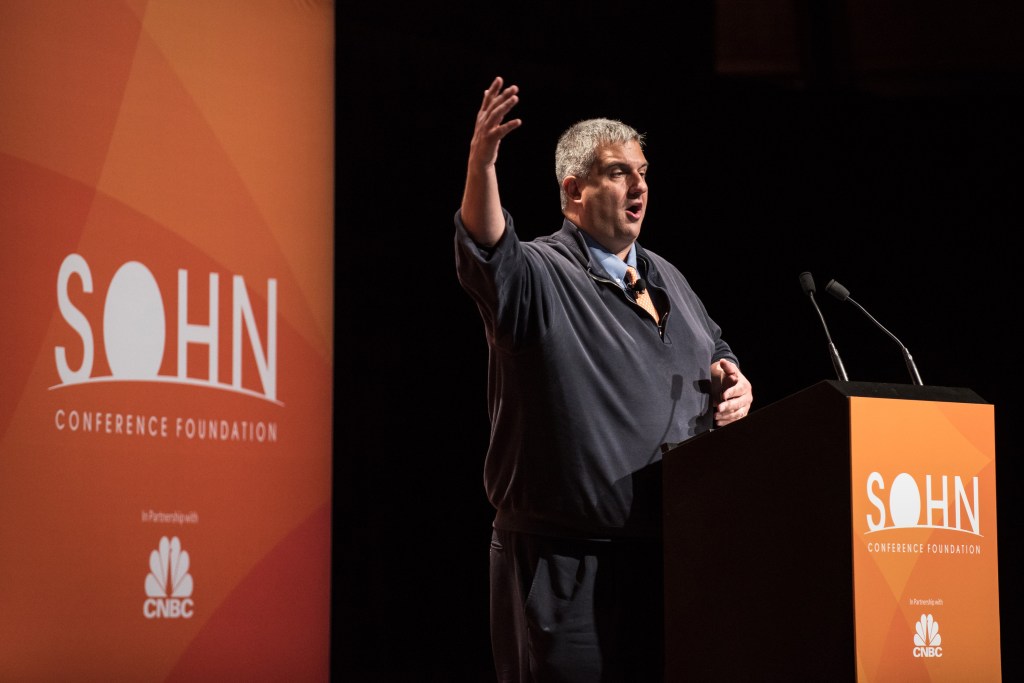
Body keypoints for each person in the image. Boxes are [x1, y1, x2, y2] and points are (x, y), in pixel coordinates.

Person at [454, 76, 754, 683]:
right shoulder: (538, 274)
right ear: (574, 190)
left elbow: (714, 346)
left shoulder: (667, 275)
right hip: (565, 567)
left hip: (668, 559)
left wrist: (736, 380)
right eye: (618, 172)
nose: (639, 185)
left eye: (642, 171)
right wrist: (481, 162)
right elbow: (487, 245)